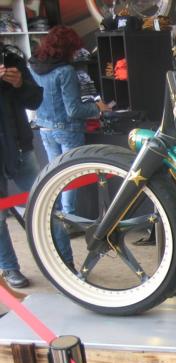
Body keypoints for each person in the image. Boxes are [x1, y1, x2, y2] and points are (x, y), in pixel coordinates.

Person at [29, 25, 109, 269]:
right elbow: (74, 109)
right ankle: (69, 218)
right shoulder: (65, 71)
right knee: (71, 177)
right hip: (68, 128)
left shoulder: (34, 65)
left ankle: (62, 217)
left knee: (56, 175)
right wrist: (98, 108)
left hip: (44, 127)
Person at [0, 43, 43, 288]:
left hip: (20, 147)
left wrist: (19, 84)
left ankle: (63, 262)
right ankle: (9, 267)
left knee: (45, 207)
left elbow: (35, 100)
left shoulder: (11, 59)